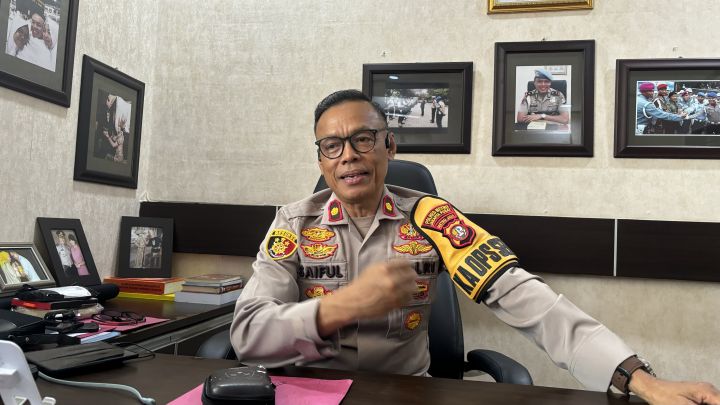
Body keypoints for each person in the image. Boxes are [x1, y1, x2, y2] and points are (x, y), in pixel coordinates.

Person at [230, 89, 720, 404]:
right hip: (308, 394)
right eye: (331, 146)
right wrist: (341, 308)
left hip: (405, 395)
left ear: (389, 146)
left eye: (363, 139)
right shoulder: (294, 223)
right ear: (321, 159)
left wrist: (636, 377)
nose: (348, 157)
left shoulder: (432, 218)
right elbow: (248, 334)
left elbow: (526, 297)